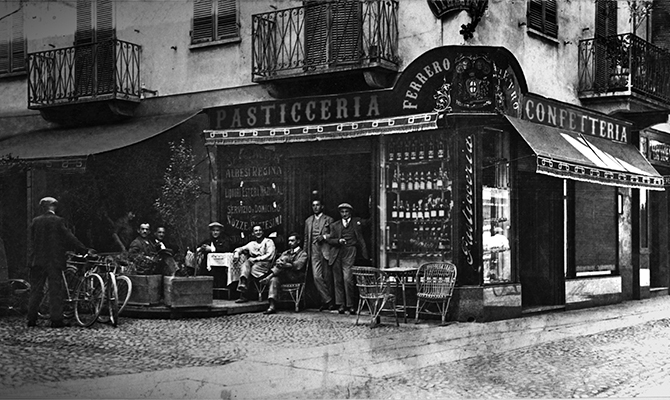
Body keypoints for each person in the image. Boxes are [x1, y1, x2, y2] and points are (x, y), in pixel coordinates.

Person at [26, 197, 94, 328]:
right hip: (53, 261)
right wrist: (83, 249)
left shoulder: (35, 221)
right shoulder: (58, 221)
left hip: (37, 261)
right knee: (55, 291)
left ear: (42, 207)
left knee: (36, 290)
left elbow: (32, 243)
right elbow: (69, 237)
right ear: (53, 207)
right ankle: (56, 320)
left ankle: (31, 319)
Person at [326, 203, 369, 315]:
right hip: (337, 252)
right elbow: (330, 240)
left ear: (350, 212)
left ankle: (350, 305)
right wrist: (338, 241)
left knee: (347, 278)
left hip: (350, 251)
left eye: (346, 212)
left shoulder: (356, 222)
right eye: (342, 212)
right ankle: (341, 304)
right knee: (338, 280)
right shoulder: (335, 225)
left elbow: (370, 222)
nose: (344, 214)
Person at [261, 232, 307, 314]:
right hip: (283, 275)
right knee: (274, 280)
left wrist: (286, 264)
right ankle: (272, 306)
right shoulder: (286, 252)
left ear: (298, 241)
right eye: (289, 241)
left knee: (285, 259)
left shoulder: (303, 254)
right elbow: (277, 262)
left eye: (292, 241)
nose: (290, 243)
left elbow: (298, 266)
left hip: (295, 276)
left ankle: (269, 277)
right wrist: (281, 263)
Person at [304, 199, 335, 311]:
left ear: (322, 206)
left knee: (327, 277)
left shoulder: (329, 219)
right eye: (313, 205)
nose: (315, 207)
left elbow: (334, 234)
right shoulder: (308, 221)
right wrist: (305, 253)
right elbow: (306, 239)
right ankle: (328, 299)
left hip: (325, 250)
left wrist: (325, 237)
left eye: (317, 205)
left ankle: (326, 302)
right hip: (313, 251)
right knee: (317, 277)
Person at [233, 225, 276, 303]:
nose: (258, 232)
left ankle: (244, 293)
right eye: (256, 231)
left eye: (260, 230)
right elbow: (241, 248)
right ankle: (243, 283)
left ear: (262, 232)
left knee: (249, 267)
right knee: (245, 264)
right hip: (254, 264)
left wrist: (256, 259)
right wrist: (236, 253)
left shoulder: (268, 242)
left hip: (265, 264)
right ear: (253, 233)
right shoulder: (252, 244)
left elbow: (270, 256)